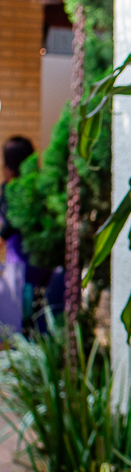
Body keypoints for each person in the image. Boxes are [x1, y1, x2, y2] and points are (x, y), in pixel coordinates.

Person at [0, 135, 34, 336]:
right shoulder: (29, 187)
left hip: (21, 263)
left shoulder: (14, 190)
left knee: (19, 318)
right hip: (29, 263)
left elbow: (10, 220)